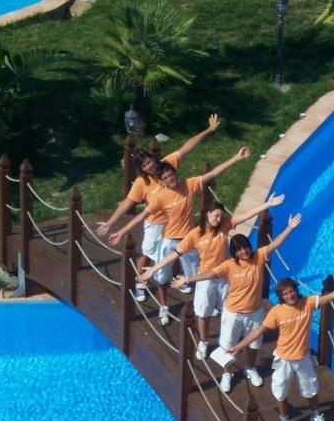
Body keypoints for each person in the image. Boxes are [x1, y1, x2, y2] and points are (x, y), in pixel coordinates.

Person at [228, 271, 334, 421]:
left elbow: (333, 295)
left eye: (291, 291)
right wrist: (238, 346)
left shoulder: (308, 303)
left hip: (303, 358)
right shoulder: (277, 312)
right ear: (281, 296)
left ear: (296, 290)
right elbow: (258, 331)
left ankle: (316, 415)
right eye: (285, 293)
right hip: (283, 359)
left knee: (311, 389)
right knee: (280, 392)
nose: (289, 295)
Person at [109, 147, 251, 325]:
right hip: (169, 241)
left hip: (189, 241)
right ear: (162, 181)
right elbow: (141, 216)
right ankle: (163, 307)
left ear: (176, 173)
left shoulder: (189, 184)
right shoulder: (160, 197)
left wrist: (236, 157)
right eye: (165, 178)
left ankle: (205, 303)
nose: (170, 179)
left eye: (171, 175)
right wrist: (120, 232)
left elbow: (213, 173)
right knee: (161, 278)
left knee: (198, 276)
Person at [138, 193, 285, 359]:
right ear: (207, 214)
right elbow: (174, 254)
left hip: (226, 276)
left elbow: (246, 215)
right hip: (206, 278)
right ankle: (203, 341)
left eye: (221, 216)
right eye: (216, 215)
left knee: (228, 310)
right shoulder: (194, 235)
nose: (218, 219)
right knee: (203, 312)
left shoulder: (225, 226)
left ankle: (228, 339)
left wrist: (268, 204)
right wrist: (153, 269)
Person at [96, 114, 221, 301]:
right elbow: (128, 202)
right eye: (144, 165)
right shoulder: (142, 183)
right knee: (148, 253)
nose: (149, 166)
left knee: (178, 251)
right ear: (141, 169)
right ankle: (140, 283)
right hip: (155, 223)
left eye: (149, 161)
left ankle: (178, 278)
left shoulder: (167, 165)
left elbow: (187, 147)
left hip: (176, 221)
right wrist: (111, 223)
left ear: (153, 159)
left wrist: (208, 130)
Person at [175, 214, 302, 393]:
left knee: (254, 344)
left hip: (255, 312)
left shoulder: (258, 256)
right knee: (228, 345)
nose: (245, 251)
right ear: (234, 252)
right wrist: (188, 279)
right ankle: (227, 373)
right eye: (240, 249)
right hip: (233, 313)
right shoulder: (229, 265)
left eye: (246, 247)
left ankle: (250, 368)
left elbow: (275, 244)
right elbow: (209, 274)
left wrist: (289, 228)